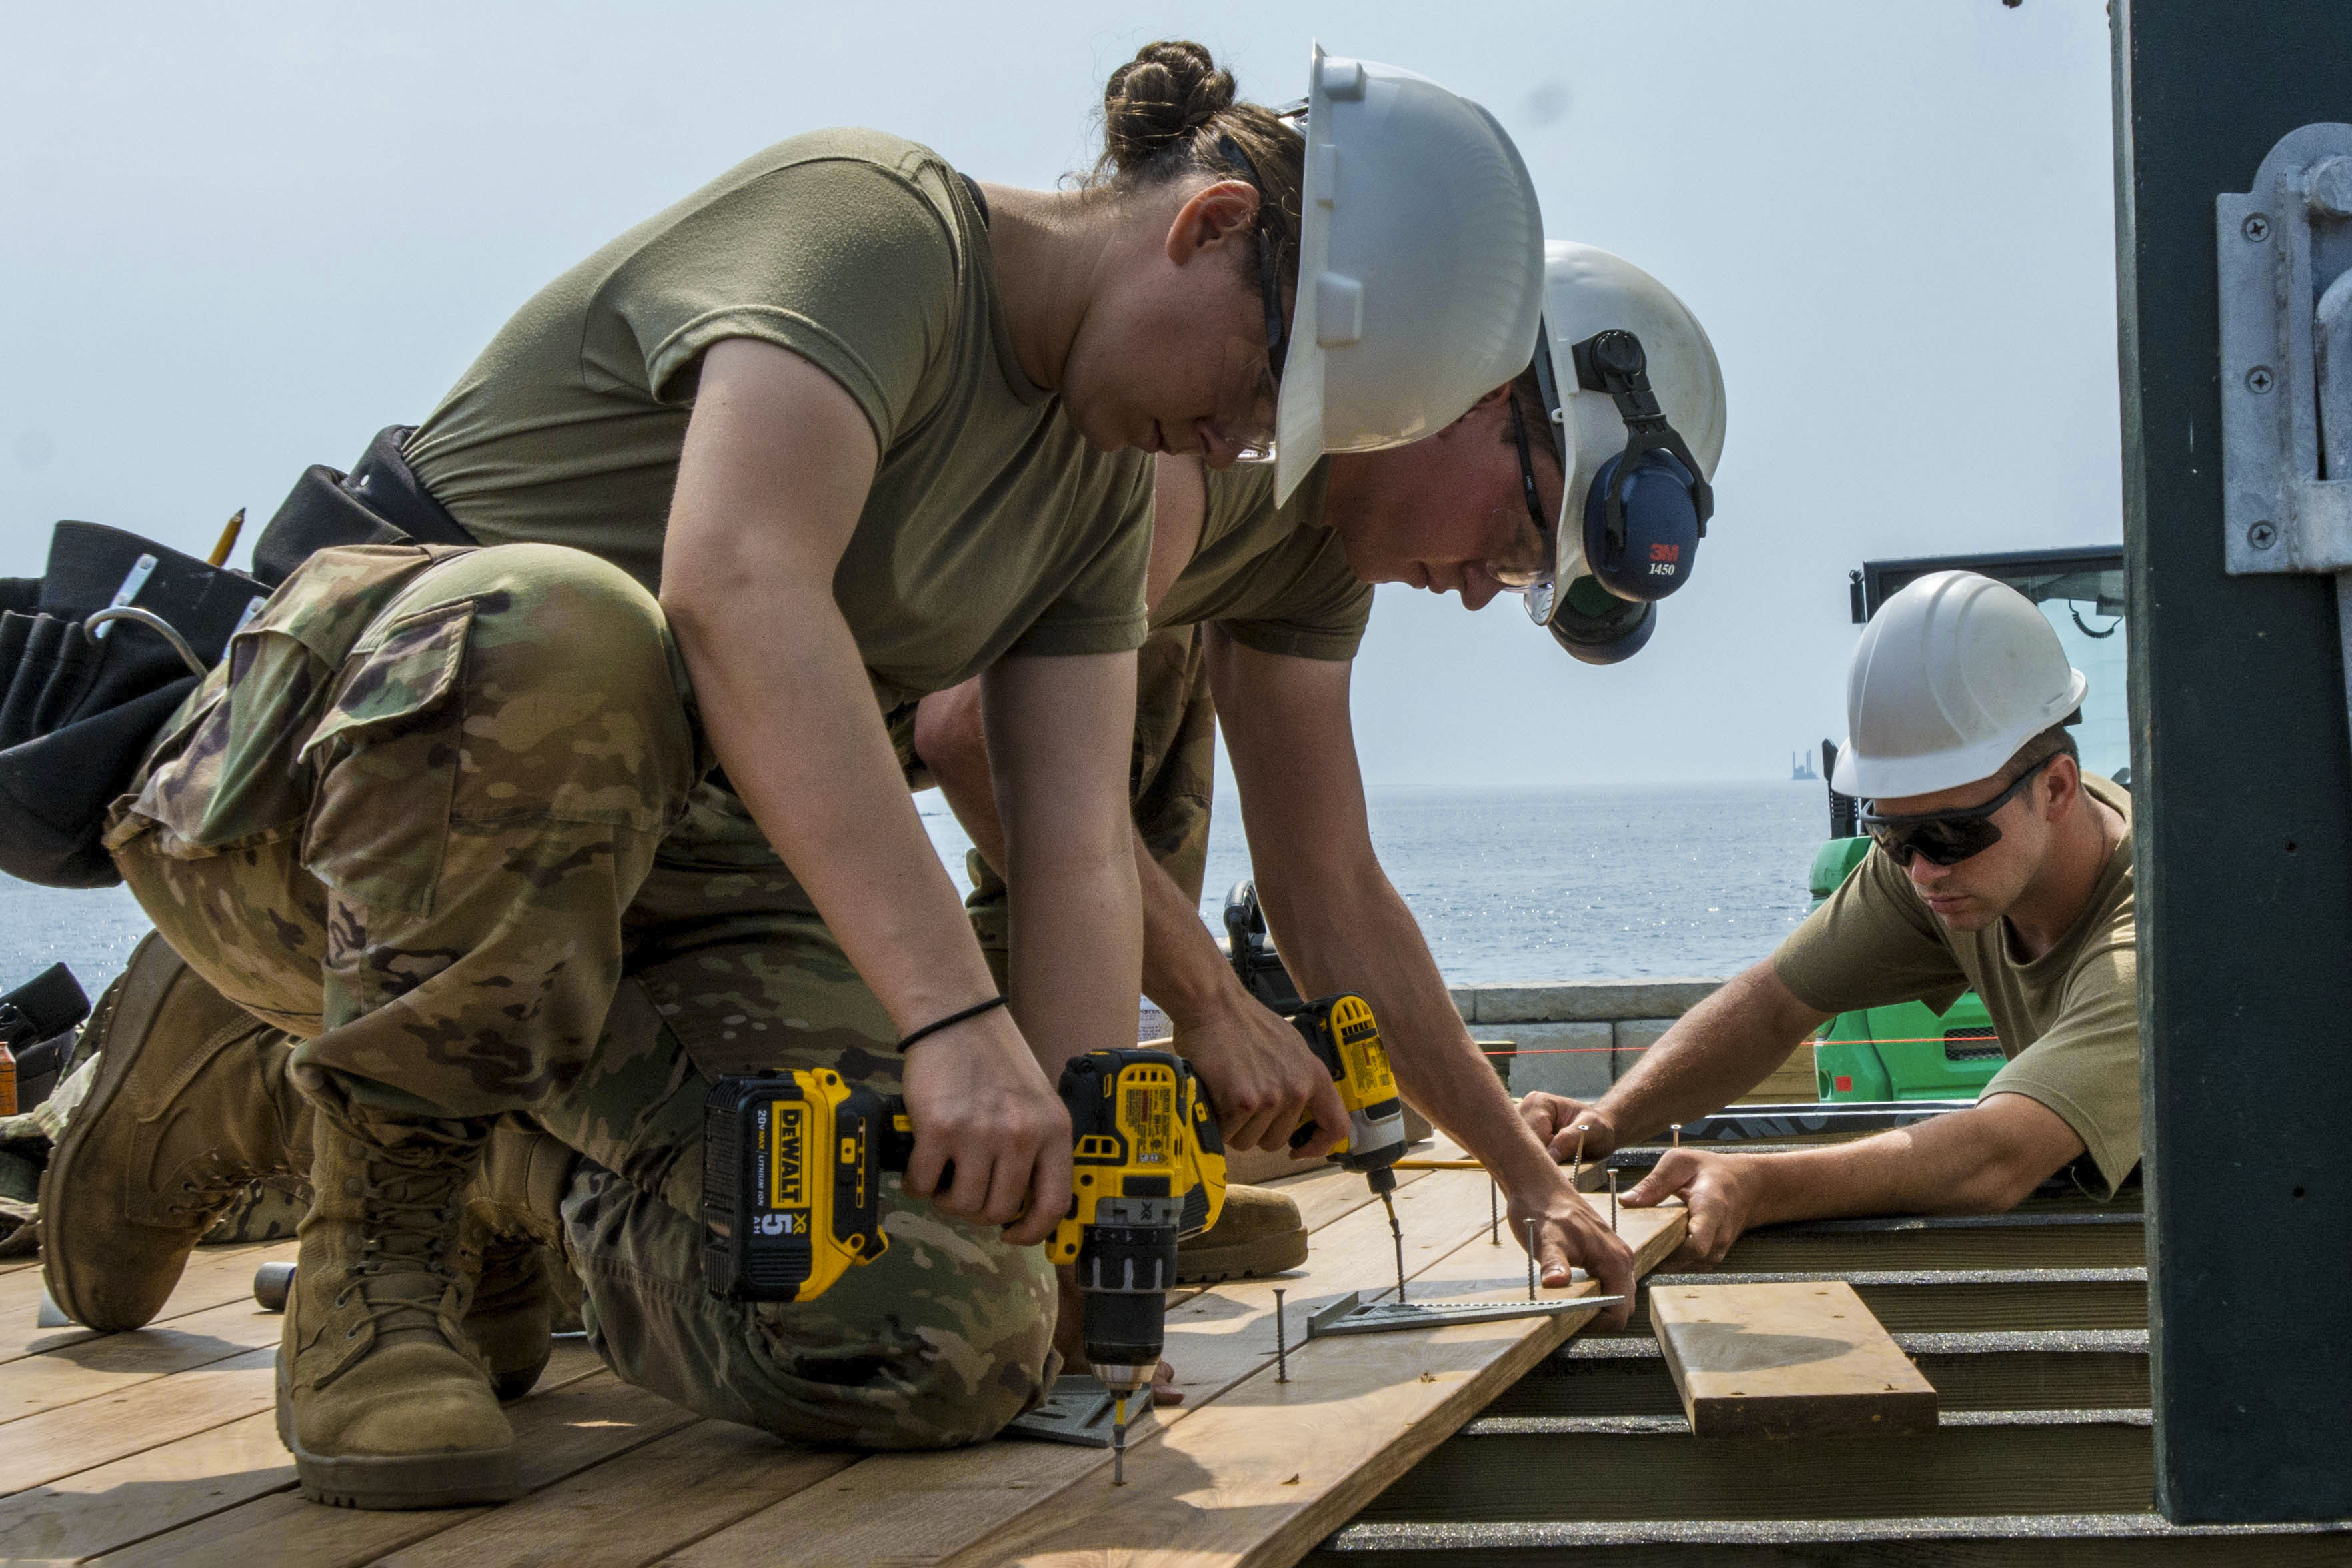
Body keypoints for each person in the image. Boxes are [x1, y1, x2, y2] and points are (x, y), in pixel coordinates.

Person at [40, 40, 1551, 1510]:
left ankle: (515, 1169)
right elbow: (738, 587)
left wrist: (1089, 1238)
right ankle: (358, 1223)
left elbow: (1076, 846)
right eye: (1249, 397)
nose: (1232, 447)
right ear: (1206, 228)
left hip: (659, 892)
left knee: (948, 1333)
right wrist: (953, 1024)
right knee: (576, 635)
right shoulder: (875, 228)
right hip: (345, 793)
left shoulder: (1101, 490)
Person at [913, 245, 1725, 1305]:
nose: (1486, 588)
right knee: (931, 1336)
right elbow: (978, 734)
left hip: (869, 774)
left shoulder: (1327, 559)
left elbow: (1328, 888)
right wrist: (1211, 1003)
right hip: (731, 795)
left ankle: (1090, 1179)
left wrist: (1528, 1182)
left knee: (1143, 668)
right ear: (1483, 392)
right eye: (1522, 533)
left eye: (1529, 575)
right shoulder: (1200, 437)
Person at [1519, 570, 2138, 1265]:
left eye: (1950, 835)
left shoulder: (2147, 945)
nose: (1923, 871)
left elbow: (1998, 1156)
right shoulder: (1937, 854)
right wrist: (1607, 1118)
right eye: (1893, 837)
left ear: (2054, 787)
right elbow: (1773, 1004)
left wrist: (1757, 1184)